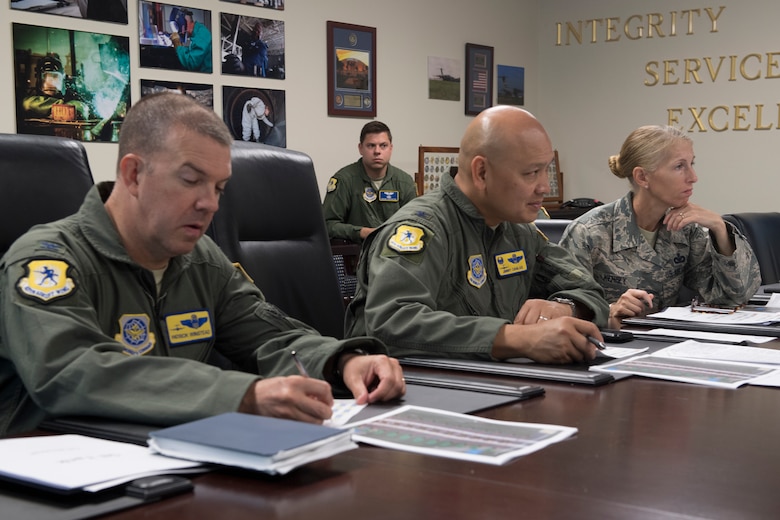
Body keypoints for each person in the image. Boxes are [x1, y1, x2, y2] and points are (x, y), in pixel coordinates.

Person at [0, 93, 404, 436]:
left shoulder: (200, 258)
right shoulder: (48, 261)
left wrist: (344, 360)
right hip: (55, 480)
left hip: (177, 464)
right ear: (134, 174)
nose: (210, 203)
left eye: (219, 188)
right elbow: (72, 371)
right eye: (191, 181)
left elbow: (267, 334)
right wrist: (241, 396)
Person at [345, 106, 610, 364]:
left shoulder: (518, 231)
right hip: (414, 392)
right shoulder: (421, 230)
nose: (545, 187)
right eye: (531, 173)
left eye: (546, 170)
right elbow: (392, 323)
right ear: (481, 172)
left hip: (499, 385)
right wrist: (516, 338)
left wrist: (565, 306)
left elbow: (591, 291)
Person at [558, 125, 761, 326]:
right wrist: (609, 311)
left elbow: (733, 297)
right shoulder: (589, 232)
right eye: (679, 166)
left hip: (667, 346)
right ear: (642, 177)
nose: (693, 177)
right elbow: (560, 310)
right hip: (608, 349)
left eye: (692, 164)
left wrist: (720, 228)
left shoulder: (685, 229)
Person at [322, 121, 417, 243]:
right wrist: (361, 232)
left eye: (383, 145)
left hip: (394, 256)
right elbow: (327, 225)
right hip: (357, 255)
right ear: (360, 148)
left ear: (391, 148)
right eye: (371, 146)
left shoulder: (404, 182)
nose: (377, 151)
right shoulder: (344, 180)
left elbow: (415, 224)